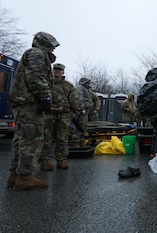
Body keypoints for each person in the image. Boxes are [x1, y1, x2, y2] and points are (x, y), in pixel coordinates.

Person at [7, 31, 60, 190]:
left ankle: (15, 175)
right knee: (32, 138)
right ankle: (25, 177)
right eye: (51, 47)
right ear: (45, 44)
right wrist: (45, 96)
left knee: (21, 138)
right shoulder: (37, 53)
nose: (53, 50)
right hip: (29, 103)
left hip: (23, 102)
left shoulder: (33, 54)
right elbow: (36, 76)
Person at [39, 63, 82, 171]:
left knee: (62, 139)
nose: (57, 71)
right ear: (53, 71)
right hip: (49, 114)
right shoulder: (46, 83)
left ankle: (61, 160)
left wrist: (77, 111)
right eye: (56, 69)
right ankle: (44, 161)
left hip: (64, 115)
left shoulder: (68, 86)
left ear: (63, 72)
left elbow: (74, 99)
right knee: (46, 139)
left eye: (60, 70)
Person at [73, 77, 93, 146]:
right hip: (81, 111)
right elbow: (79, 99)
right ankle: (76, 143)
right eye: (87, 82)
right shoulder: (80, 88)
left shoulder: (86, 89)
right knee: (79, 126)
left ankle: (81, 142)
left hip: (85, 111)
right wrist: (82, 109)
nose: (89, 84)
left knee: (84, 127)